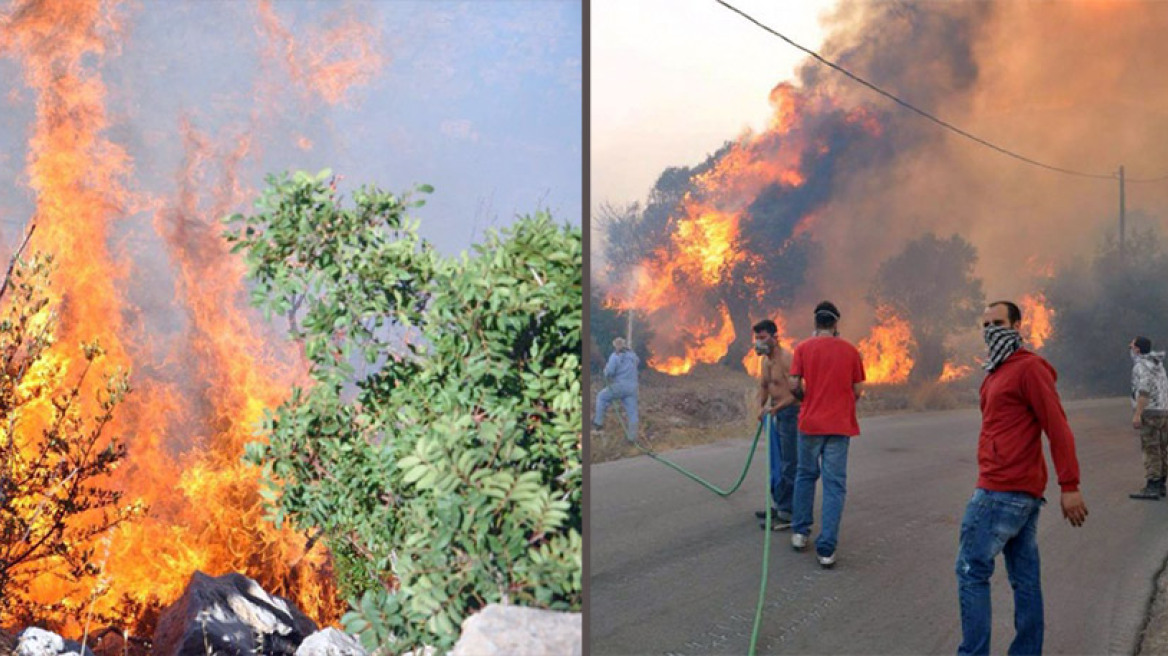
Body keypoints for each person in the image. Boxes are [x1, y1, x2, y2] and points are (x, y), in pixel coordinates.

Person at [956, 301, 1087, 656]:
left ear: (1017, 325)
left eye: (998, 323)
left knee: (971, 570)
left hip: (1001, 490)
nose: (990, 330)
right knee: (1024, 579)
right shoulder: (996, 371)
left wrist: (1070, 485)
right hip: (1020, 494)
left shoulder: (1028, 369)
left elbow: (1057, 426)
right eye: (985, 325)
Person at [789, 301, 865, 568]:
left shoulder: (802, 348)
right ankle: (826, 549)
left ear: (816, 323)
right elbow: (857, 390)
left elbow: (794, 385)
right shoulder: (851, 351)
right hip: (839, 426)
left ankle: (800, 532)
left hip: (809, 424)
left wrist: (806, 397)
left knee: (805, 475)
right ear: (835, 324)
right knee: (834, 486)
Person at [749, 319, 800, 531]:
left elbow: (798, 394)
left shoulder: (787, 359)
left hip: (791, 414)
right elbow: (764, 386)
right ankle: (780, 505)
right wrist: (761, 407)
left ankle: (788, 512)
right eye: (757, 338)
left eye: (763, 338)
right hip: (776, 414)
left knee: (789, 463)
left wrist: (776, 409)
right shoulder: (765, 361)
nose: (759, 342)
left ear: (774, 337)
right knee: (776, 463)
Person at [1129, 336, 1168, 500]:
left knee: (1151, 449)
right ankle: (1161, 484)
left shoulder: (1141, 367)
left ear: (1137, 349)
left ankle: (1152, 486)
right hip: (1163, 411)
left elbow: (1144, 391)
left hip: (1150, 412)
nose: (1130, 348)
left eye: (1131, 345)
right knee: (1162, 449)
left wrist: (1138, 413)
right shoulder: (1158, 365)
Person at [593, 337, 639, 442]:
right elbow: (637, 363)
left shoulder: (615, 356)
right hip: (632, 387)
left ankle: (598, 424)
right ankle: (632, 438)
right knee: (632, 412)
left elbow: (609, 372)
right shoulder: (632, 355)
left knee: (601, 397)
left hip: (620, 386)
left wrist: (605, 372)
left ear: (616, 345)